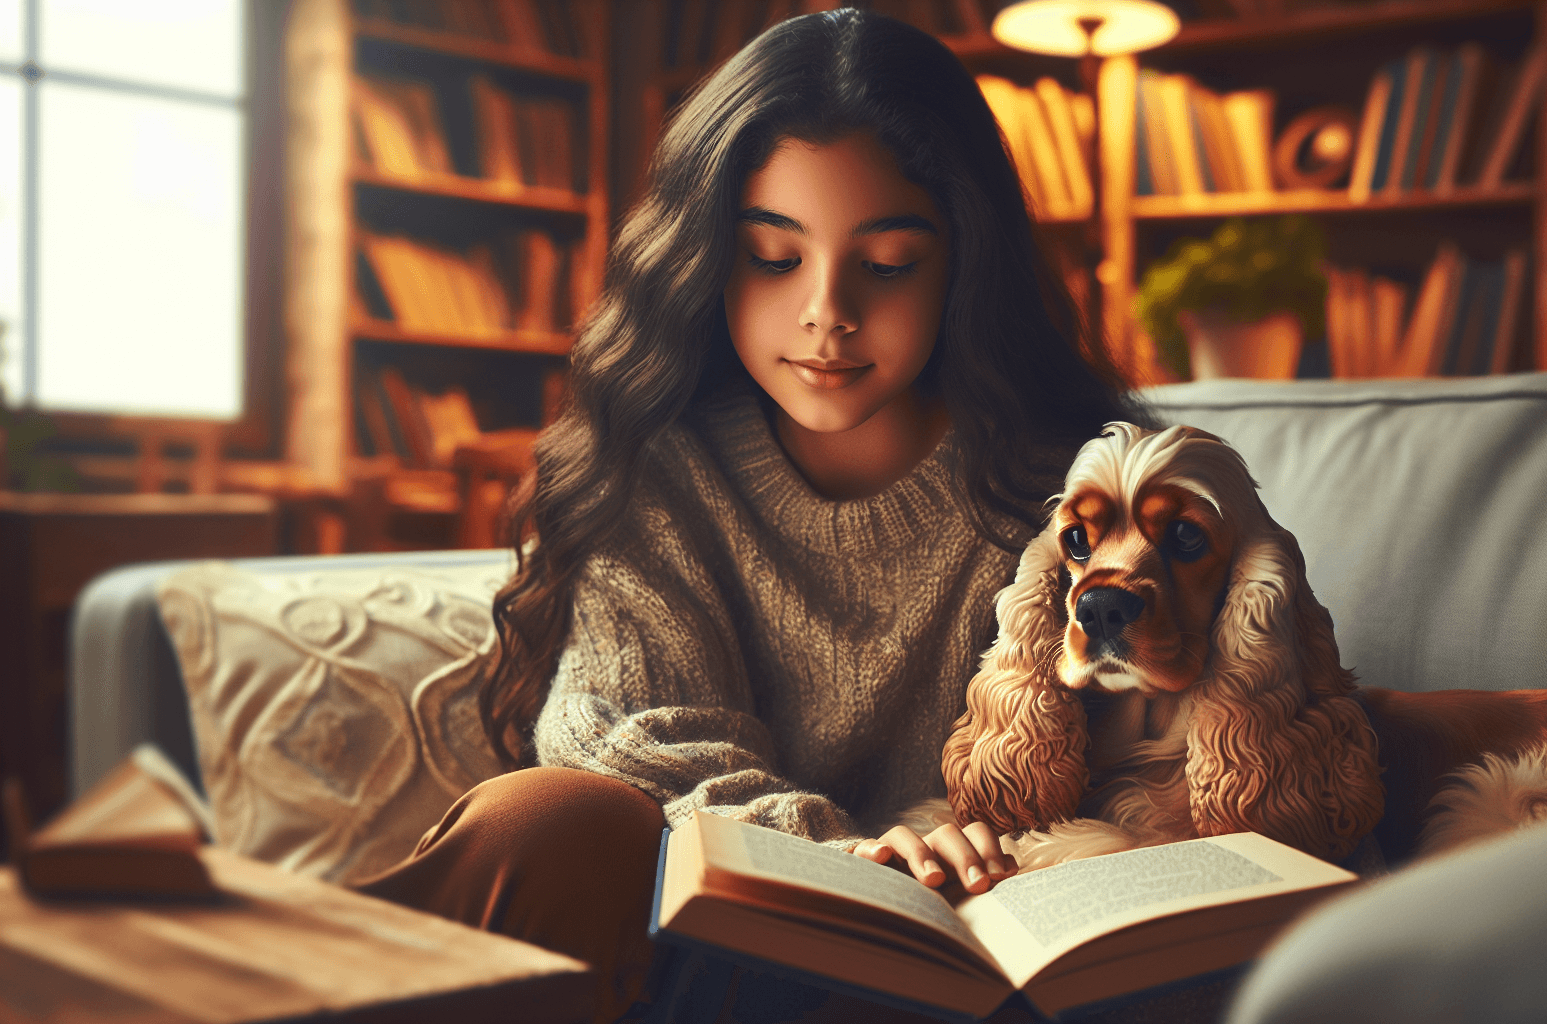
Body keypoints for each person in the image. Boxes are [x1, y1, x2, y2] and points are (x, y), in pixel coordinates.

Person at [356, 9, 1145, 1021]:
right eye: (774, 256)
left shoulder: (1075, 487)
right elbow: (626, 731)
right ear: (704, 257)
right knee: (544, 816)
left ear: (963, 263)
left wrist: (960, 849)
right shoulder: (652, 463)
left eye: (890, 261)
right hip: (684, 952)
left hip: (970, 966)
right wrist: (842, 856)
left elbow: (1157, 738)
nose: (827, 310)